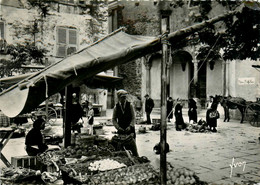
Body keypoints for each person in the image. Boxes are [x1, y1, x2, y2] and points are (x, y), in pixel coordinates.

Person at [112, 89, 139, 156]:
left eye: (125, 97)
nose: (124, 99)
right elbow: (113, 119)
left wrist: (130, 126)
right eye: (122, 97)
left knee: (132, 148)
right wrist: (118, 127)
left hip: (130, 130)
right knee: (121, 149)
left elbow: (133, 118)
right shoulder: (116, 107)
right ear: (118, 98)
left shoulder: (130, 105)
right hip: (121, 130)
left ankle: (135, 159)